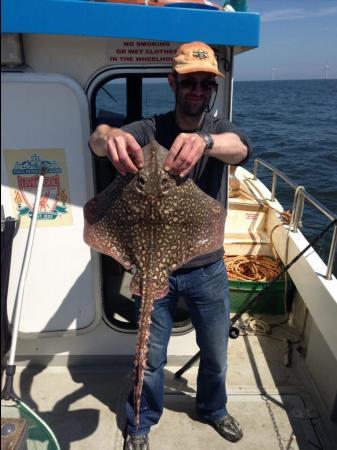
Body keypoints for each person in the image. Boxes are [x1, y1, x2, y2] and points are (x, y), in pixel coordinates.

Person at [89, 41, 251, 450]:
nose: (197, 90)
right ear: (173, 83)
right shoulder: (147, 130)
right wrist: (108, 135)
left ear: (212, 90)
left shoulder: (217, 130)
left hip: (208, 269)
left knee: (215, 351)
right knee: (150, 356)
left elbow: (244, 148)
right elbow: (97, 139)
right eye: (189, 82)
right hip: (150, 265)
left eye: (205, 84)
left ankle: (214, 408)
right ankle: (140, 422)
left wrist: (206, 144)